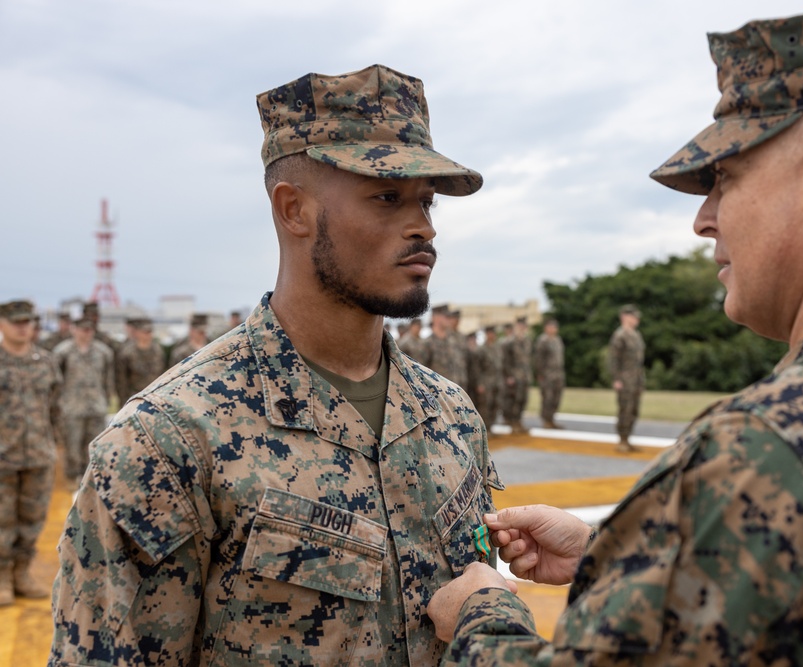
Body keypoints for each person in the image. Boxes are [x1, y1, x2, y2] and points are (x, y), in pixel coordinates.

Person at [428, 5, 803, 665]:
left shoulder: (764, 454)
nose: (704, 219)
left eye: (726, 177)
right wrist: (643, 555)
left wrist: (482, 614)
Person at [50, 64, 504, 665]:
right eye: (387, 197)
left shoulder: (450, 414)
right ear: (294, 211)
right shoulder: (170, 439)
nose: (422, 227)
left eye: (426, 202)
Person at [0, 300, 61, 605]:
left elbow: (54, 405)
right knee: (2, 519)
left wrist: (54, 443)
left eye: (28, 322)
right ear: (2, 324)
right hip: (2, 457)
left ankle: (22, 573)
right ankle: (2, 578)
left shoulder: (46, 361)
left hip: (38, 454)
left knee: (33, 518)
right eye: (16, 322)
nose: (23, 327)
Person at [51, 316, 114, 485]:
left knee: (95, 444)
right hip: (72, 406)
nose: (87, 333)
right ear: (74, 330)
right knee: (72, 445)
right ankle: (73, 478)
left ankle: (93, 479)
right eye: (83, 329)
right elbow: (56, 382)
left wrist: (108, 400)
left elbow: (107, 379)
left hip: (96, 405)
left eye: (90, 330)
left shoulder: (103, 352)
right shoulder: (62, 352)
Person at [608, 304, 645, 451]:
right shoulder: (620, 335)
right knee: (625, 408)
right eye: (633, 316)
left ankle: (628, 438)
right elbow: (614, 359)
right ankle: (622, 440)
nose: (636, 319)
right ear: (624, 317)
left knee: (634, 409)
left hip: (636, 378)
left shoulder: (636, 335)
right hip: (624, 378)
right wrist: (616, 379)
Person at [114, 316, 165, 404]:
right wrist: (123, 401)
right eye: (144, 332)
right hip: (134, 397)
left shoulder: (158, 351)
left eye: (149, 332)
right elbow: (121, 380)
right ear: (137, 333)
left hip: (155, 397)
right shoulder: (127, 352)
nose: (148, 335)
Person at [501, 316, 532, 434]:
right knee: (513, 400)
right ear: (516, 327)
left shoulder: (527, 341)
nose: (522, 328)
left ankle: (518, 421)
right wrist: (508, 375)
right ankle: (512, 422)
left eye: (524, 325)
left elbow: (527, 360)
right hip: (514, 376)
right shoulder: (509, 342)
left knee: (523, 400)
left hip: (524, 376)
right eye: (520, 325)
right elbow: (505, 361)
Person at [533, 318, 565, 429]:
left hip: (558, 374)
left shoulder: (557, 340)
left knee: (556, 398)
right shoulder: (543, 340)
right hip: (547, 375)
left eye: (555, 327)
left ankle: (551, 419)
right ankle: (546, 420)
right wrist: (540, 374)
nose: (553, 329)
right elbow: (538, 359)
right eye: (551, 327)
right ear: (546, 328)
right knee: (547, 398)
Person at [474, 326, 504, 432]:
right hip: (486, 380)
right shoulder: (481, 349)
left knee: (495, 404)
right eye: (490, 333)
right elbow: (477, 368)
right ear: (486, 334)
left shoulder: (497, 347)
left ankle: (490, 426)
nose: (492, 335)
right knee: (485, 405)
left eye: (493, 333)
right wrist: (480, 383)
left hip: (497, 380)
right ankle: (484, 429)